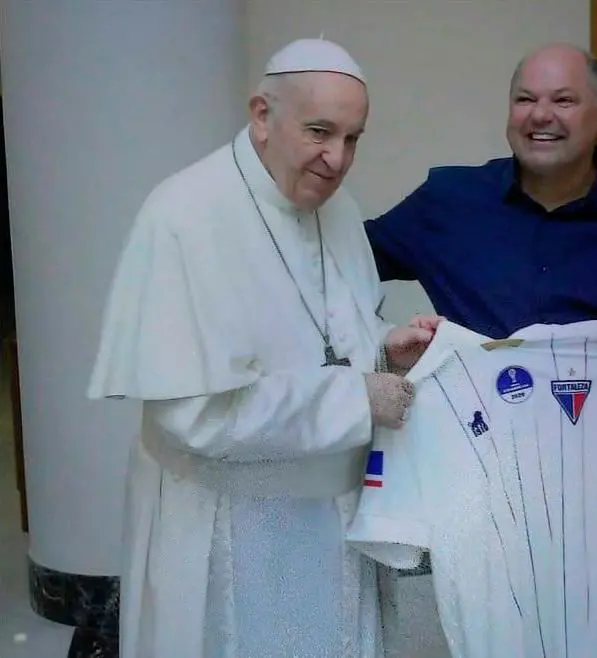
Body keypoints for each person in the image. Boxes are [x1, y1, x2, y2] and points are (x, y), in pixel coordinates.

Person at [87, 38, 441, 658]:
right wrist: (359, 398)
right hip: (233, 527)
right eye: (319, 132)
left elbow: (331, 340)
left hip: (331, 518)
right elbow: (194, 414)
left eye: (353, 138)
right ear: (261, 115)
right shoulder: (185, 216)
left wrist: (385, 352)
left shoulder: (338, 210)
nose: (337, 160)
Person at [363, 42, 597, 657]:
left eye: (563, 100)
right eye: (525, 99)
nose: (540, 114)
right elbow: (344, 266)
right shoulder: (448, 202)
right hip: (488, 494)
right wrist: (380, 342)